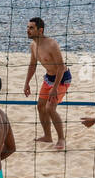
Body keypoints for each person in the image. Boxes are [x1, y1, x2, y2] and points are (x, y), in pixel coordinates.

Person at [24, 17, 71, 151]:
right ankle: (47, 136)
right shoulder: (33, 45)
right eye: (27, 27)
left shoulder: (51, 44)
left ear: (40, 30)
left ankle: (61, 138)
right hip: (49, 78)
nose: (28, 30)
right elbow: (32, 65)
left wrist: (55, 88)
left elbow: (61, 67)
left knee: (50, 108)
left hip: (62, 78)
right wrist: (27, 83)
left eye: (31, 28)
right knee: (40, 106)